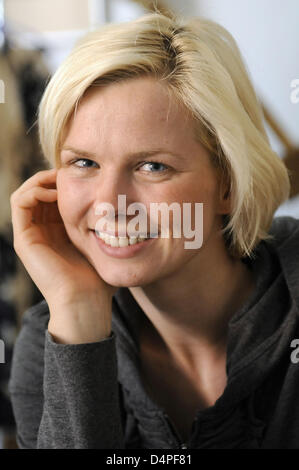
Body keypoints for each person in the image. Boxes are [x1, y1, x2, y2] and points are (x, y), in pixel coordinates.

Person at [8, 11, 299, 449]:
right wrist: (80, 315)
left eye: (152, 166)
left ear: (229, 183)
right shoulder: (52, 340)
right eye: (83, 163)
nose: (109, 204)